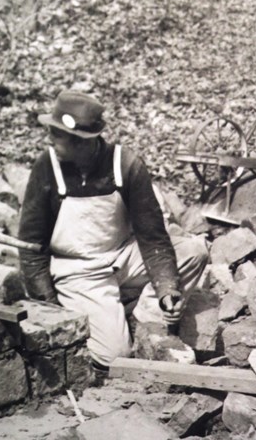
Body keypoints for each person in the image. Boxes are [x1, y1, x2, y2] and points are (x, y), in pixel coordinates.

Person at [18, 89, 208, 370]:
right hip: (80, 270)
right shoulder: (47, 167)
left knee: (193, 251)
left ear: (83, 142)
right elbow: (30, 247)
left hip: (123, 257)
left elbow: (153, 237)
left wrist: (167, 288)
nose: (50, 139)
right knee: (115, 357)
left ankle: (146, 324)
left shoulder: (125, 165)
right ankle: (113, 319)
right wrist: (51, 307)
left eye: (57, 134)